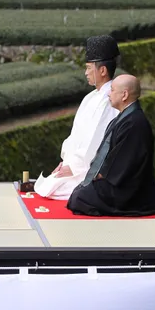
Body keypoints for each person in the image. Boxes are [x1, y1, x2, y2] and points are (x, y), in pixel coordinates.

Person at [33, 35, 120, 200]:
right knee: (51, 184)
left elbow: (96, 138)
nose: (85, 73)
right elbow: (77, 135)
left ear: (102, 70)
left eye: (88, 68)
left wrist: (75, 167)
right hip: (77, 164)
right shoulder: (91, 97)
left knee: (58, 189)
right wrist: (66, 161)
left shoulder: (108, 99)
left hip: (91, 168)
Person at [67, 75, 155, 217]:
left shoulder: (135, 123)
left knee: (80, 198)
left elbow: (123, 164)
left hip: (129, 189)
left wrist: (100, 175)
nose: (108, 93)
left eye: (112, 90)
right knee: (78, 192)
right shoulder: (125, 117)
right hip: (118, 180)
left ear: (124, 95)